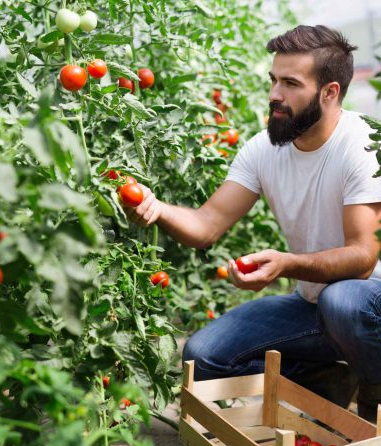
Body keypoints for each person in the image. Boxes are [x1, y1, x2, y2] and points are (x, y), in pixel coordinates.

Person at [124, 25, 381, 422]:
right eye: (273, 80)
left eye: (291, 83)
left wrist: (287, 264)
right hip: (315, 306)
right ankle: (327, 381)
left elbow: (364, 259)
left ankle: (374, 396)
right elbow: (207, 224)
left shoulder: (361, 145)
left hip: (368, 306)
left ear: (329, 92)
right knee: (204, 356)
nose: (275, 95)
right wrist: (156, 208)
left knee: (342, 300)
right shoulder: (264, 149)